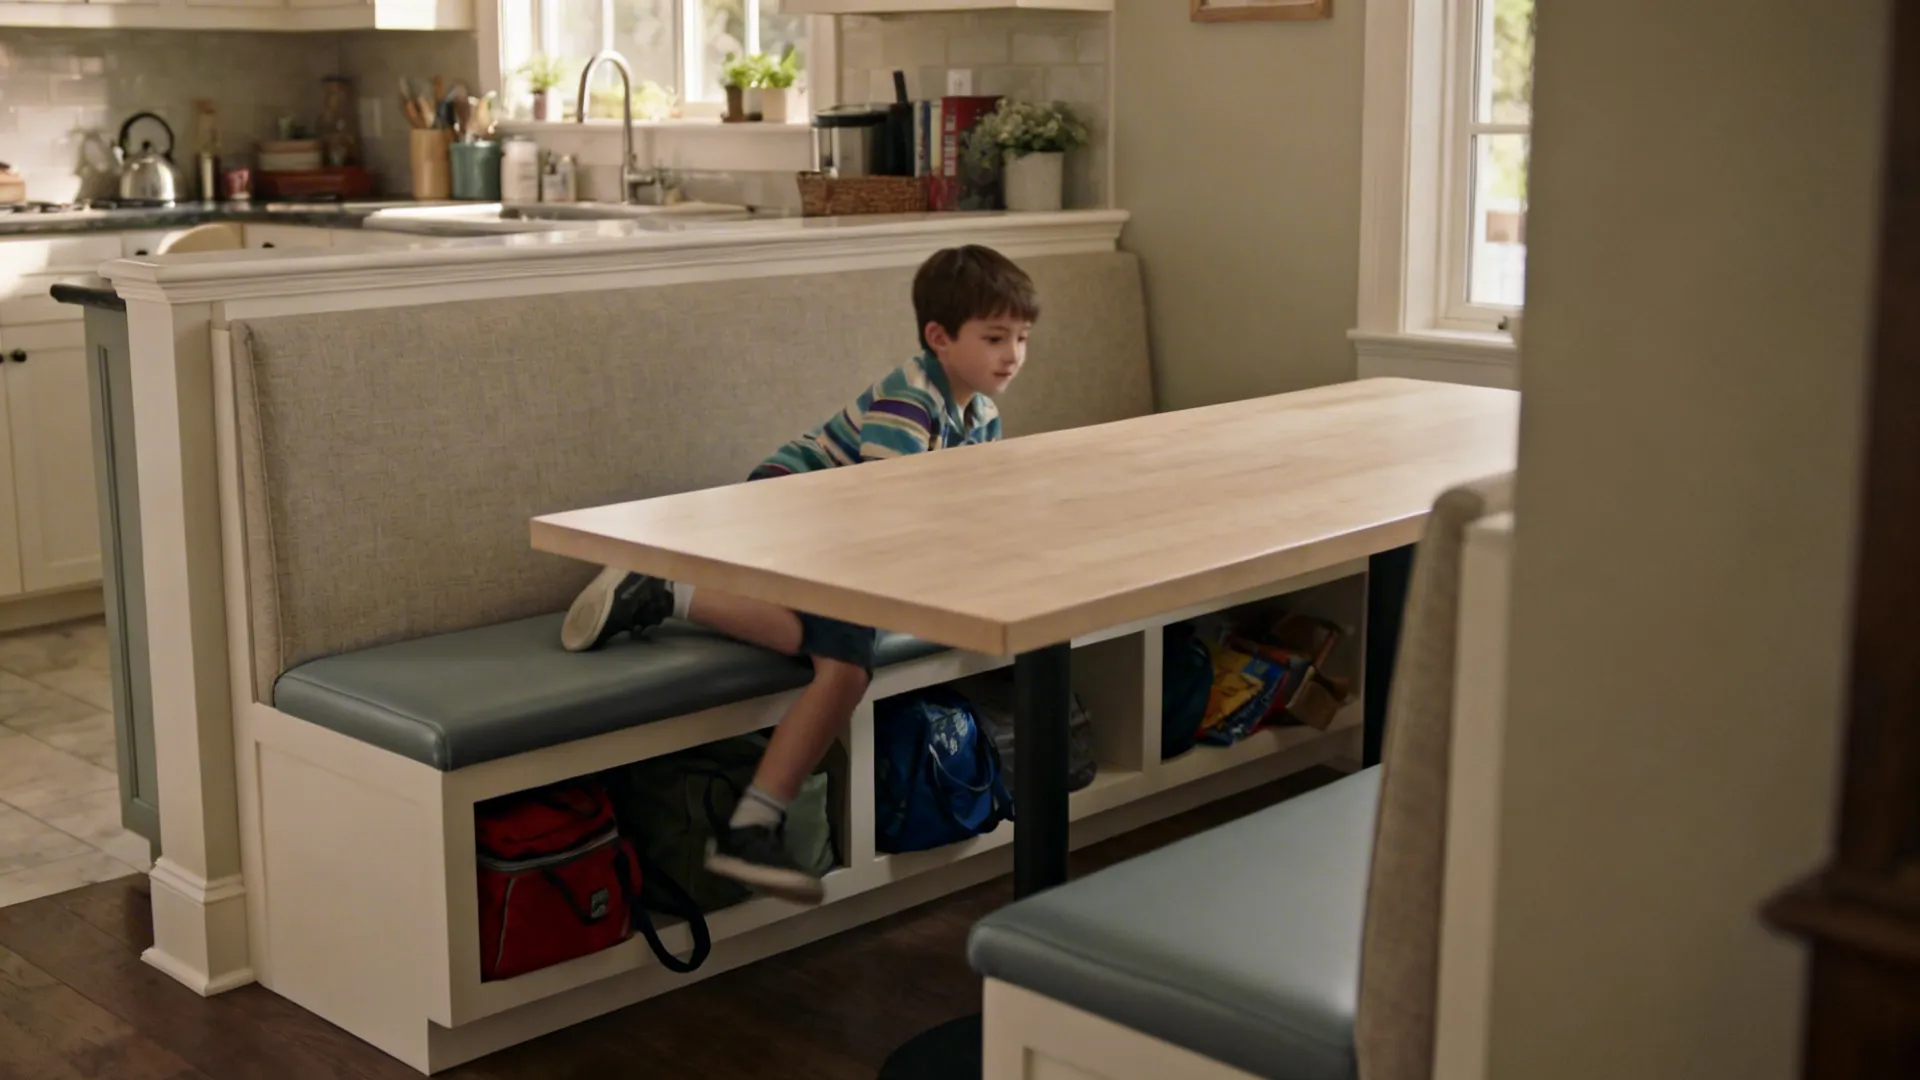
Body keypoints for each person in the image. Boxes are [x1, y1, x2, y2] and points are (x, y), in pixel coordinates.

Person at [559, 244, 1040, 904]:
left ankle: (665, 593)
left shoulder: (980, 414)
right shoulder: (909, 403)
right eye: (994, 338)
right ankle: (750, 827)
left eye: (1020, 338)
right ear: (939, 336)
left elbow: (956, 514)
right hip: (787, 514)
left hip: (835, 541)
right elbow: (878, 514)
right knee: (844, 667)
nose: (1011, 354)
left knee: (818, 642)